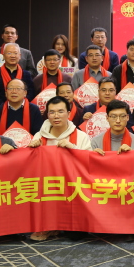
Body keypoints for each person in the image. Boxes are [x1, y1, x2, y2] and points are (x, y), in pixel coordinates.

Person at [28, 96, 93, 242]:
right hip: (48, 186)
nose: (56, 116)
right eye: (52, 112)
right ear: (47, 115)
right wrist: (31, 150)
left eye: (60, 111)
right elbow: (31, 167)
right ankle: (49, 226)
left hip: (72, 186)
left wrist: (73, 149)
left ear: (68, 114)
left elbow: (89, 163)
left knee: (76, 236)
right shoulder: (39, 136)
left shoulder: (81, 136)